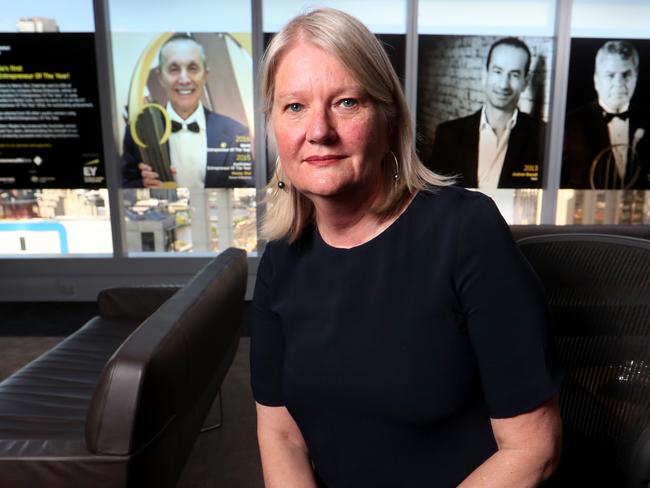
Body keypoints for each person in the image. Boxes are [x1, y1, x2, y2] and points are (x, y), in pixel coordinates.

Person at [251, 8, 562, 488]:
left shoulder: (466, 231)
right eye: (294, 106)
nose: (318, 131)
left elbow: (532, 449)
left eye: (346, 102)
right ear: (274, 124)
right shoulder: (281, 257)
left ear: (387, 113)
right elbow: (281, 435)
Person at [121, 34, 252, 188]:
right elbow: (124, 186)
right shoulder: (138, 132)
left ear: (205, 75)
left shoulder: (236, 132)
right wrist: (143, 186)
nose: (184, 79)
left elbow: (248, 187)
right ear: (160, 77)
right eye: (174, 69)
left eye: (193, 68)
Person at [427, 37, 546, 189]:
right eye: (497, 72)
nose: (504, 85)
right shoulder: (448, 134)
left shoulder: (543, 136)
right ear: (485, 74)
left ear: (525, 82)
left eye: (514, 75)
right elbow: (435, 194)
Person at [562, 40, 650, 189]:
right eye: (610, 75)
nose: (619, 83)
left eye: (626, 74)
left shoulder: (648, 119)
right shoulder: (570, 124)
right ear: (596, 80)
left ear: (636, 77)